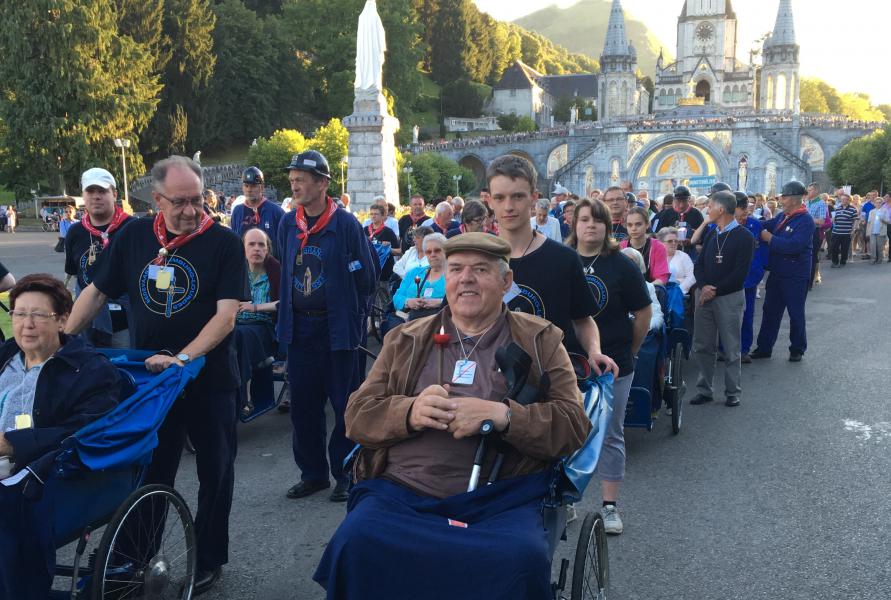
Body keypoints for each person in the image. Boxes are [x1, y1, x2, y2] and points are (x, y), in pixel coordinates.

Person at [315, 233, 590, 599]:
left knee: (520, 559)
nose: (466, 279)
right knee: (355, 541)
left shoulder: (541, 340)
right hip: (403, 493)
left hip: (500, 500)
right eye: (456, 269)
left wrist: (504, 416)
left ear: (506, 282)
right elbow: (357, 415)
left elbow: (573, 424)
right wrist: (409, 411)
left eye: (480, 269)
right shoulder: (406, 338)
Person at [66, 155, 247, 593]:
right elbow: (96, 291)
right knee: (151, 468)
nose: (191, 210)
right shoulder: (132, 235)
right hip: (151, 381)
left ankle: (207, 558)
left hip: (210, 378)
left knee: (215, 470)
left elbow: (226, 317)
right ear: (156, 198)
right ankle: (134, 557)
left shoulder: (223, 243)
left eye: (197, 200)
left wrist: (183, 359)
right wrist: (63, 338)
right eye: (179, 202)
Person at [0, 274, 121, 600]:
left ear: (63, 320)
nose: (26, 324)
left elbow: (88, 428)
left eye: (39, 315)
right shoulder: (6, 355)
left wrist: (14, 443)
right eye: (19, 314)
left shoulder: (90, 370)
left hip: (36, 470)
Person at [276, 150, 377, 504]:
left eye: (301, 180)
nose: (295, 186)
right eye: (292, 180)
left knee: (345, 405)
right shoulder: (288, 223)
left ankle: (346, 472)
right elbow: (284, 266)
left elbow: (367, 276)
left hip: (337, 330)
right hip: (299, 331)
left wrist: (358, 319)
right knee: (303, 406)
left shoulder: (346, 224)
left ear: (322, 183)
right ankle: (313, 474)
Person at [487, 154, 618, 377]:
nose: (508, 206)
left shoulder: (563, 259)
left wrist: (594, 351)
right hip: (488, 378)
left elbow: (583, 319)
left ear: (533, 199)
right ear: (489, 201)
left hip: (551, 379)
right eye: (499, 198)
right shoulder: (477, 258)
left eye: (517, 196)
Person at [567, 198, 651, 535]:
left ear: (607, 226)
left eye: (598, 220)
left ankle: (609, 506)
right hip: (570, 363)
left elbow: (643, 312)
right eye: (584, 219)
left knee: (611, 433)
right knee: (566, 430)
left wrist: (630, 348)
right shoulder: (563, 260)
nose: (591, 225)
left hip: (614, 362)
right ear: (574, 225)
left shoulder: (621, 264)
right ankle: (566, 500)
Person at [688, 191, 753, 408]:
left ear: (721, 209)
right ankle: (704, 389)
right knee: (703, 345)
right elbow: (699, 264)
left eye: (710, 205)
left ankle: (732, 391)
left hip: (728, 298)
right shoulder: (711, 234)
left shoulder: (744, 237)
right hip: (705, 297)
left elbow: (739, 274)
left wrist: (712, 290)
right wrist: (704, 285)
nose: (707, 209)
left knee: (731, 346)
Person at [64, 168, 135, 348]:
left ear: (114, 194)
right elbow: (75, 274)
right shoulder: (75, 232)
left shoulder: (134, 228)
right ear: (83, 195)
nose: (96, 196)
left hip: (126, 323)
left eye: (102, 191)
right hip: (88, 322)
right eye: (90, 191)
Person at [750, 181, 816, 363]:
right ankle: (764, 347)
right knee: (770, 311)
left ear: (794, 199)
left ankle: (797, 348)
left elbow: (793, 246)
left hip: (795, 275)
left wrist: (769, 238)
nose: (781, 200)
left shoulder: (805, 220)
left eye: (784, 197)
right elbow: (765, 223)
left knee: (795, 313)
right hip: (778, 272)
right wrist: (747, 218)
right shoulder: (783, 216)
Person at [234, 228, 280, 416]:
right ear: (243, 249)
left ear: (267, 249)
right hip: (235, 324)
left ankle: (244, 399)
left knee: (239, 335)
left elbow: (285, 303)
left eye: (261, 245)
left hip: (264, 326)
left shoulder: (275, 270)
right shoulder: (236, 271)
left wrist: (254, 307)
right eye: (251, 244)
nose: (257, 249)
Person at [733, 193, 768, 363]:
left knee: (747, 315)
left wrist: (761, 268)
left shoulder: (755, 224)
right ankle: (724, 348)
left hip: (750, 279)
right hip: (729, 280)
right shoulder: (721, 225)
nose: (745, 211)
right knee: (727, 317)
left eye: (746, 207)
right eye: (742, 208)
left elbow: (762, 249)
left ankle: (743, 349)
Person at [392, 233, 446, 319]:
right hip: (412, 322)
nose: (432, 255)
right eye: (428, 252)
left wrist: (440, 302)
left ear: (446, 251)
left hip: (441, 322)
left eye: (437, 250)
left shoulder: (453, 274)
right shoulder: (414, 273)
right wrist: (408, 302)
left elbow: (462, 301)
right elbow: (397, 298)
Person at [230, 166, 285, 251]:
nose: (249, 189)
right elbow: (235, 243)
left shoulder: (277, 212)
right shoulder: (237, 211)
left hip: (271, 263)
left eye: (253, 186)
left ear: (262, 187)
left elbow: (284, 246)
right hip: (244, 263)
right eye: (246, 186)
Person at [651, 185, 704, 259]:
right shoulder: (664, 214)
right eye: (678, 201)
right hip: (668, 255)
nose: (681, 205)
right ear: (673, 199)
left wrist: (691, 241)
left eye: (684, 201)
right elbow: (655, 235)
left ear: (689, 199)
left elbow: (703, 237)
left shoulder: (696, 214)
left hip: (690, 255)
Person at [621, 207, 670, 285]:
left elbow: (662, 278)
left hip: (650, 291)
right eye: (630, 225)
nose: (633, 228)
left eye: (638, 224)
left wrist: (646, 289)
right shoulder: (621, 247)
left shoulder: (658, 247)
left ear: (647, 224)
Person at [619, 247, 664, 331]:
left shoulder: (648, 287)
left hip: (643, 334)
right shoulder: (611, 286)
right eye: (624, 260)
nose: (627, 264)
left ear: (639, 265)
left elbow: (657, 317)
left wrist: (643, 327)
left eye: (632, 261)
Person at [656, 227, 696, 295]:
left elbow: (692, 277)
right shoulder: (655, 256)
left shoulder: (683, 256)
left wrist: (679, 290)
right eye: (670, 241)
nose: (674, 243)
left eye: (676, 241)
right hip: (658, 292)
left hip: (678, 293)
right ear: (660, 242)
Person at [805, 183, 827, 289]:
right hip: (804, 231)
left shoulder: (821, 203)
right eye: (808, 190)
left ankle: (809, 283)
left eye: (810, 190)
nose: (808, 192)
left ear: (816, 191)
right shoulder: (806, 202)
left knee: (812, 257)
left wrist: (807, 218)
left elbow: (822, 221)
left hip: (814, 232)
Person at [829, 192, 858, 268]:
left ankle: (842, 262)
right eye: (842, 199)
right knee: (834, 248)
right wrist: (832, 219)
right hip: (836, 232)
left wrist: (853, 230)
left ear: (849, 200)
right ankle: (835, 262)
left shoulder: (853, 209)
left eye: (845, 199)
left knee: (844, 249)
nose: (843, 201)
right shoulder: (837, 208)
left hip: (846, 232)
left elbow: (855, 220)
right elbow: (834, 220)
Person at [867, 196, 889, 264]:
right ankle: (873, 259)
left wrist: (882, 219)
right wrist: (867, 232)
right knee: (872, 246)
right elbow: (869, 222)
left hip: (881, 231)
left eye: (880, 203)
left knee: (880, 247)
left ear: (882, 203)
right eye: (876, 203)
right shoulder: (872, 211)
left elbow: (888, 221)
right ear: (874, 203)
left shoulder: (885, 210)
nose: (878, 204)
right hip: (872, 231)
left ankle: (879, 259)